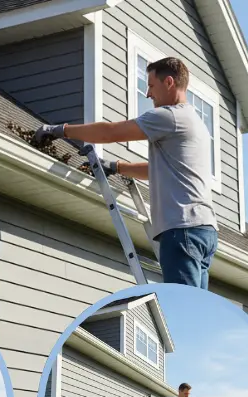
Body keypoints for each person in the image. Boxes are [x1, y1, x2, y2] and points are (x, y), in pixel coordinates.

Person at [33, 57, 218, 289]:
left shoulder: (169, 116)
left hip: (182, 229)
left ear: (169, 82)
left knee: (184, 309)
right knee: (196, 308)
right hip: (203, 230)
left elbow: (110, 133)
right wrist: (117, 166)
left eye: (151, 85)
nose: (148, 94)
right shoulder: (195, 122)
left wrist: (60, 130)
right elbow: (157, 170)